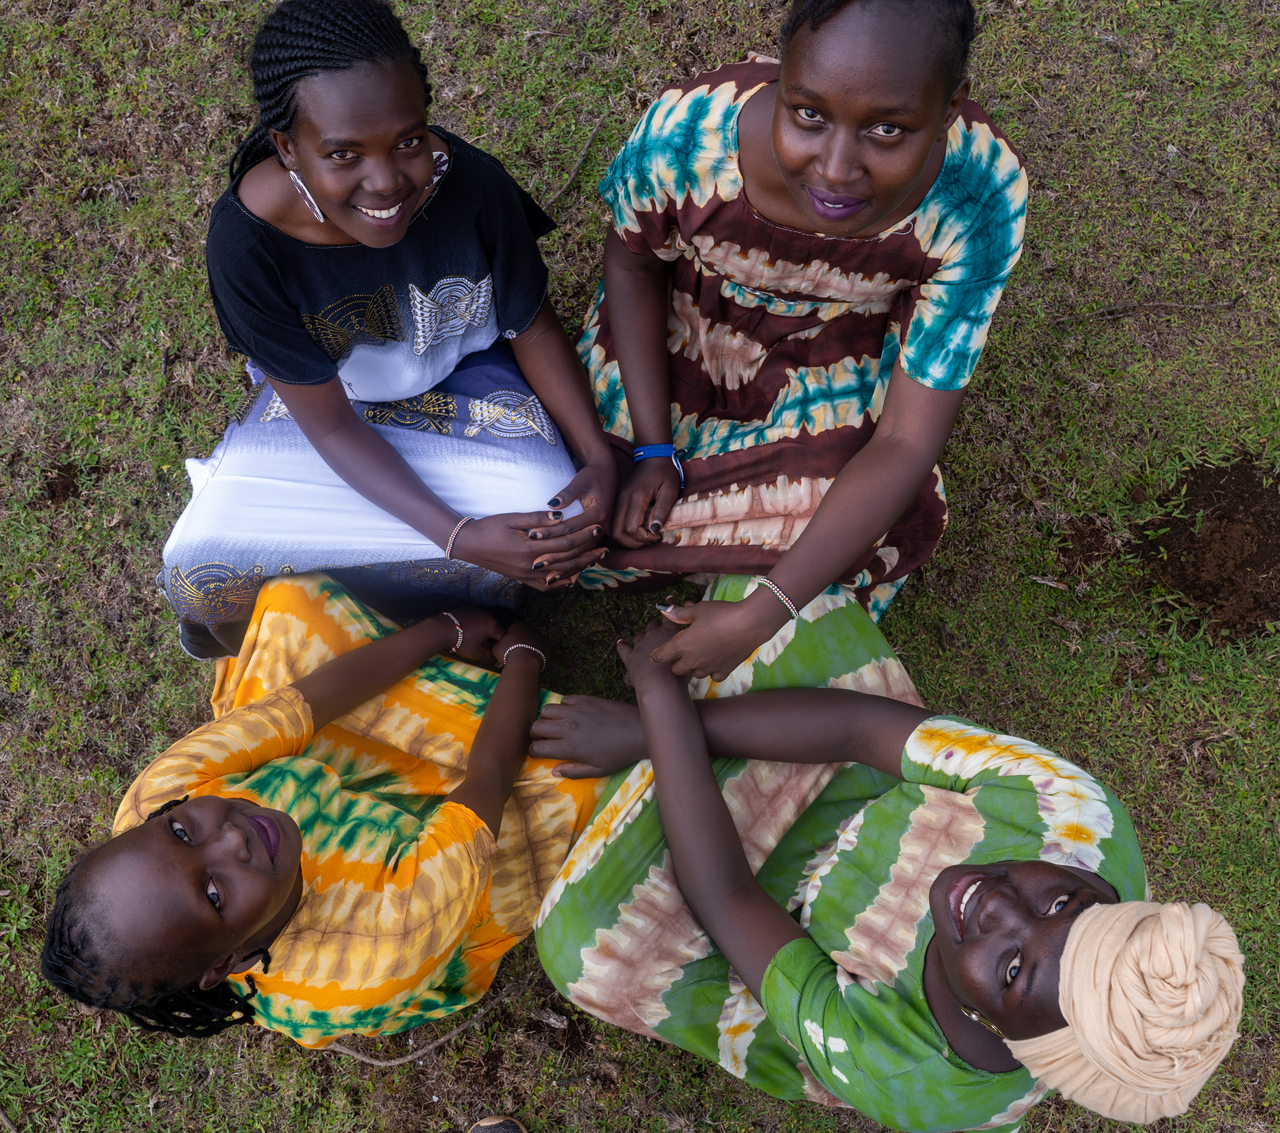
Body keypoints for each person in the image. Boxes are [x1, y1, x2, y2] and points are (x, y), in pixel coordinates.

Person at [531, 620, 1245, 1130]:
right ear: (1099, 891)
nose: (1000, 905)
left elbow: (726, 894)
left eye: (1012, 969)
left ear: (997, 1026)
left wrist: (662, 710)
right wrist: (648, 730)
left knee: (580, 942)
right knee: (779, 607)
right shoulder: (1080, 820)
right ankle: (671, 766)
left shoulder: (906, 1072)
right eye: (1059, 899)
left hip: (758, 943)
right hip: (852, 782)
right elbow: (858, 730)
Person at [577, 0, 1027, 689]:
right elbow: (634, 265)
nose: (837, 168)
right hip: (675, 343)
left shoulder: (977, 197)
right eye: (808, 114)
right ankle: (722, 545)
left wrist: (763, 615)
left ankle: (743, 573)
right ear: (778, 79)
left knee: (886, 512)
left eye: (888, 129)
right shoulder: (685, 140)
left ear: (949, 108)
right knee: (572, 499)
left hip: (828, 365)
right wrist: (651, 447)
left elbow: (906, 442)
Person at [162, 0, 615, 660]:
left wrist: (597, 457)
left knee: (555, 528)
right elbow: (332, 426)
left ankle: (368, 610)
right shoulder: (247, 244)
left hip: (467, 385)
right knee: (196, 567)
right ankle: (440, 600)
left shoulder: (472, 188)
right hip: (333, 417)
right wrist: (457, 536)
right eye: (344, 154)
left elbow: (532, 327)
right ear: (287, 147)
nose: (386, 182)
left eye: (407, 141)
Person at [40, 574, 602, 1047]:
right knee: (576, 789)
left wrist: (441, 630)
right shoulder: (379, 947)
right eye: (213, 895)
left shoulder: (158, 800)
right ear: (231, 962)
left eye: (183, 832)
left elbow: (303, 705)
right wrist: (525, 660)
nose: (230, 841)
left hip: (337, 782)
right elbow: (488, 782)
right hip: (444, 875)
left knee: (293, 607)